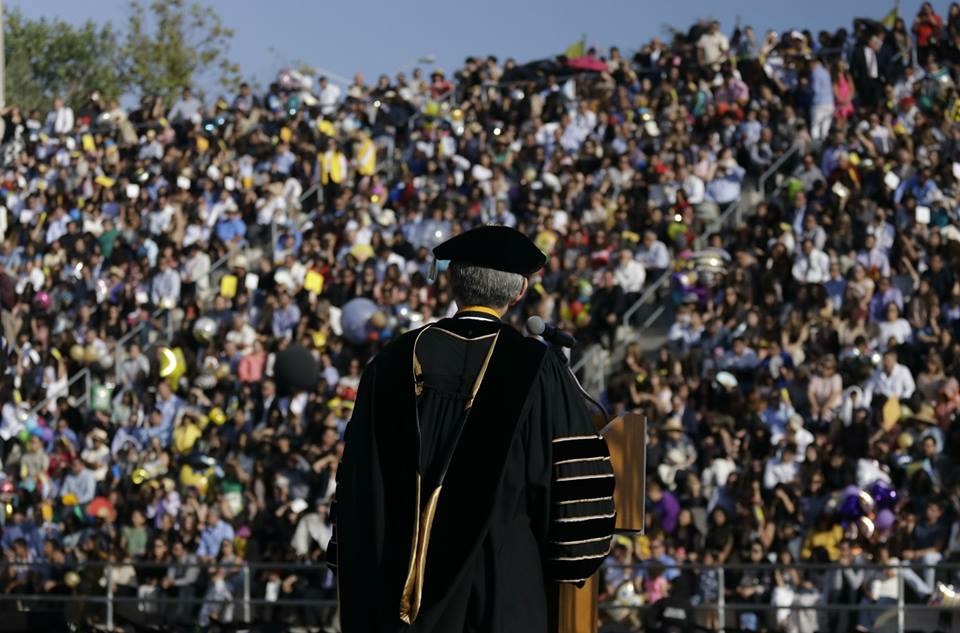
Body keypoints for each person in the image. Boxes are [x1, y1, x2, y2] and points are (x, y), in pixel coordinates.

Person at [329, 225, 616, 632]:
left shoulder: (390, 363)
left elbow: (356, 482)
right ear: (519, 293)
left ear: (450, 282)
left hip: (395, 589)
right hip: (502, 590)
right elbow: (573, 488)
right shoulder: (536, 369)